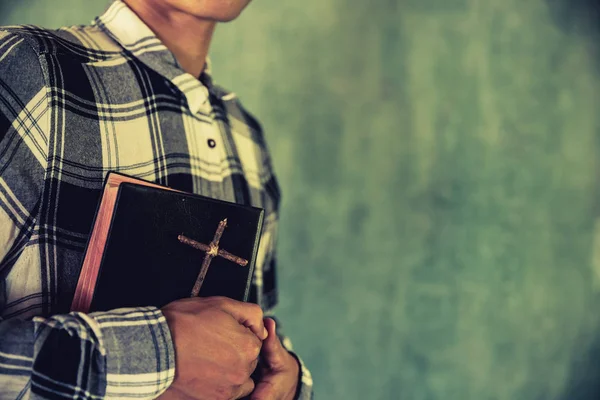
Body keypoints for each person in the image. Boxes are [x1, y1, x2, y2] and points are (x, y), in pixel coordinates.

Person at [0, 0, 313, 398]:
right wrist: (159, 358)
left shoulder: (248, 139)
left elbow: (261, 329)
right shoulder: (26, 72)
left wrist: (288, 381)